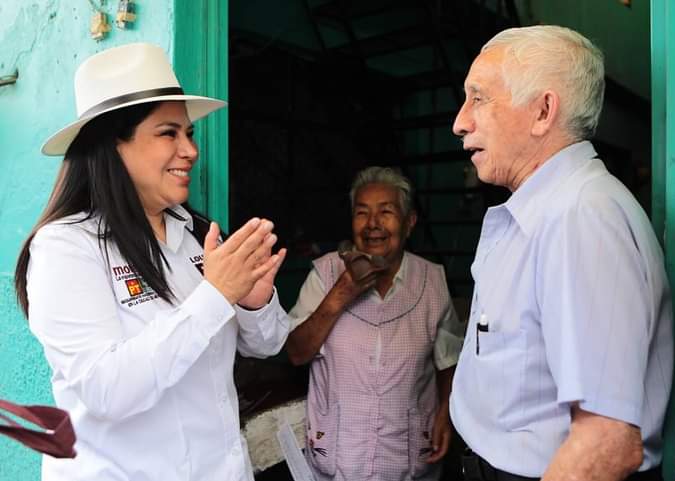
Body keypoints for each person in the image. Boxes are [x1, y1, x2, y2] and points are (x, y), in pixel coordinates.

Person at [14, 43, 290, 481]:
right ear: (113, 145)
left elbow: (268, 344)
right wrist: (215, 295)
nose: (190, 150)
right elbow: (108, 391)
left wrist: (254, 302)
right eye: (168, 133)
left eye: (190, 134)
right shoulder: (66, 248)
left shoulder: (197, 235)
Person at [450, 26, 673, 481]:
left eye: (479, 99)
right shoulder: (546, 209)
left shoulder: (581, 217)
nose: (460, 121)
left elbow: (607, 442)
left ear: (543, 111)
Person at [286, 166, 464, 481]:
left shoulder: (431, 281)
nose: (373, 224)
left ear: (409, 223)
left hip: (408, 462)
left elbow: (447, 361)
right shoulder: (325, 275)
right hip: (338, 462)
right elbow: (296, 352)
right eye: (362, 213)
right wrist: (342, 292)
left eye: (386, 212)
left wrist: (445, 412)